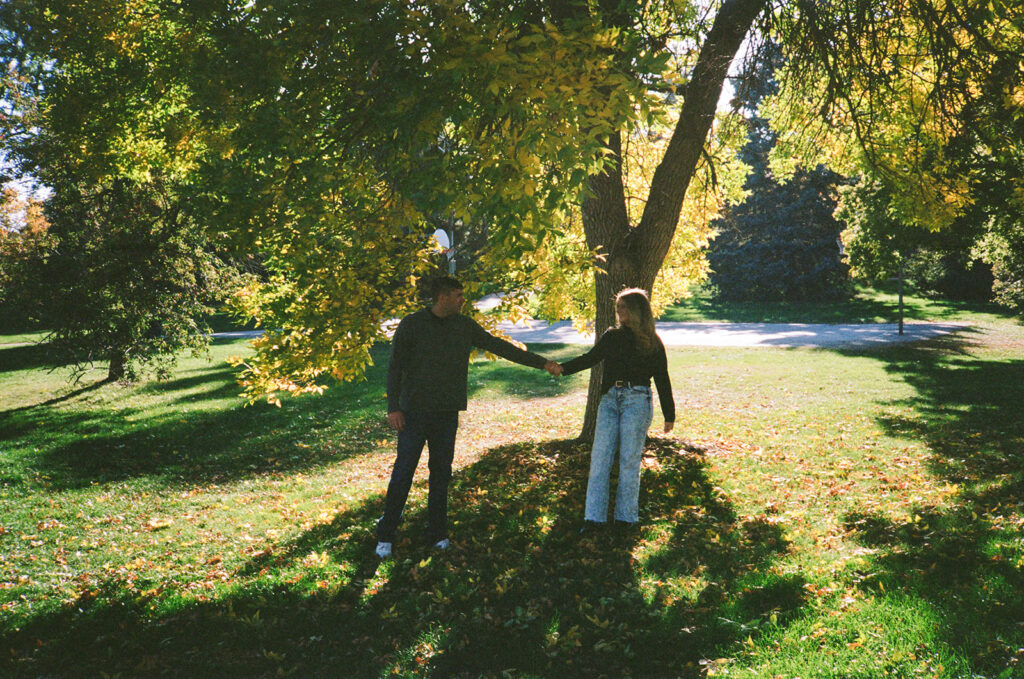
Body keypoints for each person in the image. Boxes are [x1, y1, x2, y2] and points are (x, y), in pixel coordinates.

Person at [376, 276, 562, 558]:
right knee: (403, 473)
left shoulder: (463, 326)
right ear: (442, 297)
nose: (463, 300)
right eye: (458, 295)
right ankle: (386, 534)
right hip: (413, 413)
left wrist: (542, 363)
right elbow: (394, 367)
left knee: (441, 473)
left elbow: (500, 347)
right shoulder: (412, 324)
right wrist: (394, 407)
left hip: (446, 413)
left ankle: (437, 533)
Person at [559, 288, 674, 533]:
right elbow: (590, 359)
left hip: (638, 400)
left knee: (629, 461)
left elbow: (662, 378)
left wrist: (669, 414)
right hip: (610, 400)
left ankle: (626, 520)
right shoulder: (612, 336)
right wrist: (562, 369)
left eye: (623, 306)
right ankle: (594, 520)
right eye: (618, 306)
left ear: (636, 310)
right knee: (600, 459)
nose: (618, 311)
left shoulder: (652, 341)